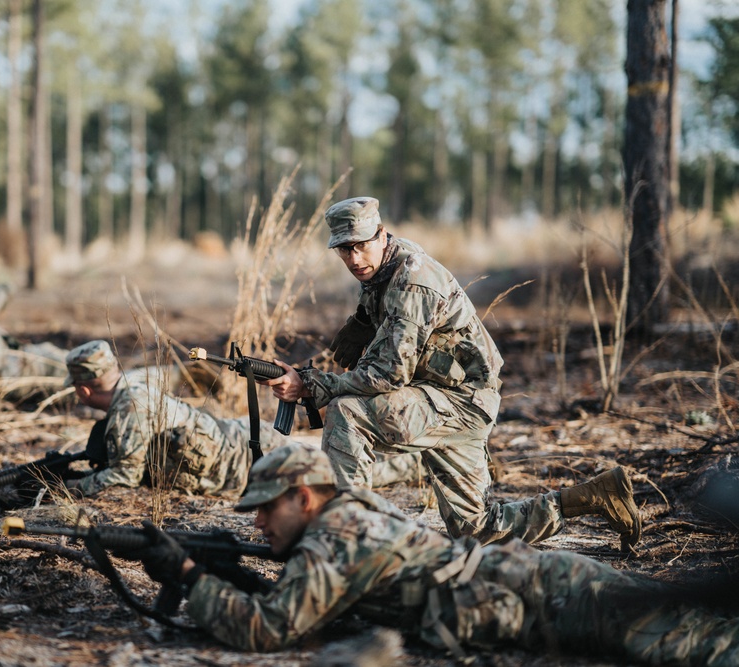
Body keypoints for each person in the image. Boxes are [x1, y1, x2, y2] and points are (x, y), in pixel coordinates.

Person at [127, 444, 737, 665]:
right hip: (539, 582)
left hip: (551, 600)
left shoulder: (338, 538)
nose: (258, 522)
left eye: (267, 508)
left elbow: (267, 630)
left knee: (706, 645)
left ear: (306, 497)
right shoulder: (345, 515)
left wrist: (186, 574)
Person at [260, 197, 641, 550]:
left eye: (362, 245)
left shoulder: (413, 280)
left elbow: (389, 375)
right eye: (345, 249)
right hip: (446, 397)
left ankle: (348, 541)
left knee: (348, 412)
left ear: (381, 233)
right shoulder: (383, 270)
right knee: (476, 529)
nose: (355, 257)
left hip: (461, 402)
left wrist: (310, 385)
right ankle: (594, 496)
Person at [63, 340, 422, 497]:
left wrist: (71, 488)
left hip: (247, 460)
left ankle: (418, 464)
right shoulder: (134, 385)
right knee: (331, 456)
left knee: (338, 472)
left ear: (83, 391)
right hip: (245, 441)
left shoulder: (129, 406)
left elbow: (124, 475)